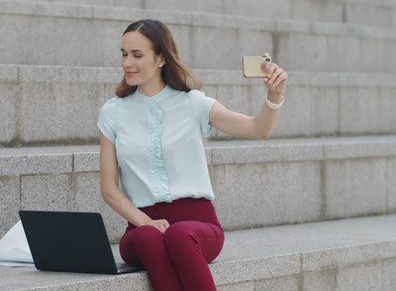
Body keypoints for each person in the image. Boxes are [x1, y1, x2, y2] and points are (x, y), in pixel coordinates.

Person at [97, 19, 287, 291]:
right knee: (151, 237)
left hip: (198, 227)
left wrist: (274, 95)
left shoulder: (192, 102)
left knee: (178, 234)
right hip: (140, 229)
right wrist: (146, 222)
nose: (127, 62)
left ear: (161, 58)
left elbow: (258, 129)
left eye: (137, 55)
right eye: (124, 54)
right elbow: (109, 188)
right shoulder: (112, 112)